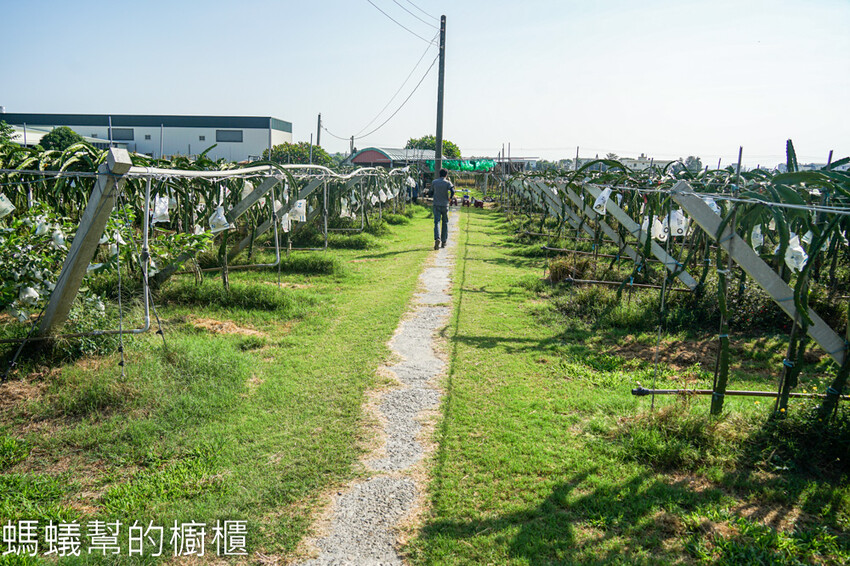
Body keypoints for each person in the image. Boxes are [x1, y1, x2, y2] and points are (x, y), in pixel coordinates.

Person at [431, 168, 454, 250]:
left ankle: (437, 238)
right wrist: (450, 198)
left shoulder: (434, 182)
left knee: (437, 222)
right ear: (446, 175)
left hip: (436, 204)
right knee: (445, 222)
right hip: (445, 205)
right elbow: (452, 191)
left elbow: (431, 192)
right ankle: (444, 242)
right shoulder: (448, 182)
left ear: (439, 174)